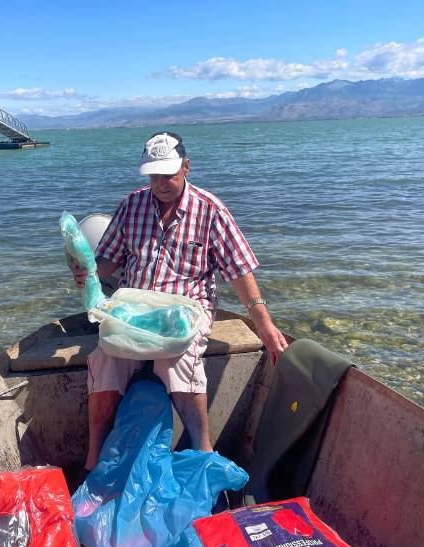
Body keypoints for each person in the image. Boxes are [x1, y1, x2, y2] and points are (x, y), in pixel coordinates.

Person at [72, 132, 288, 472]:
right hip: (136, 307)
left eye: (168, 174)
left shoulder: (211, 210)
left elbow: (239, 270)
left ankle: (203, 452)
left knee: (178, 357)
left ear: (186, 167)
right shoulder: (131, 205)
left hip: (187, 309)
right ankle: (93, 459)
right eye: (153, 175)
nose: (160, 183)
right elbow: (109, 261)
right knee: (105, 357)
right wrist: (89, 273)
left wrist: (263, 322)